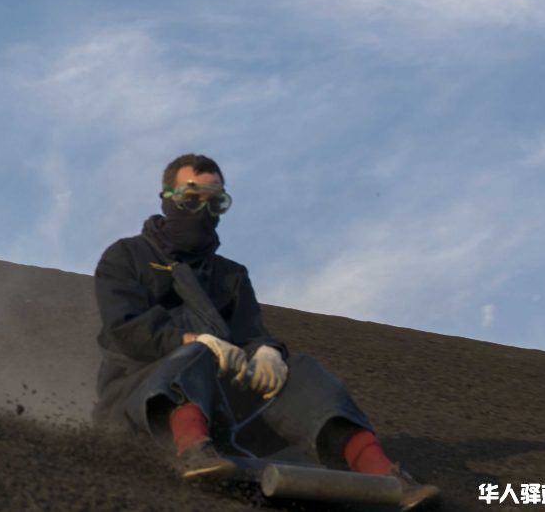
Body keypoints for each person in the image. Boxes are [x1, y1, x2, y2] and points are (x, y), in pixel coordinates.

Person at [91, 153, 438, 509]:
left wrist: (267, 351)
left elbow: (251, 333)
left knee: (301, 371)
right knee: (196, 355)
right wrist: (194, 342)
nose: (203, 211)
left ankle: (383, 473)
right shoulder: (125, 256)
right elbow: (126, 328)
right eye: (191, 199)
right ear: (168, 199)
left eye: (215, 202)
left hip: (221, 402)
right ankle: (193, 450)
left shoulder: (231, 276)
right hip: (142, 397)